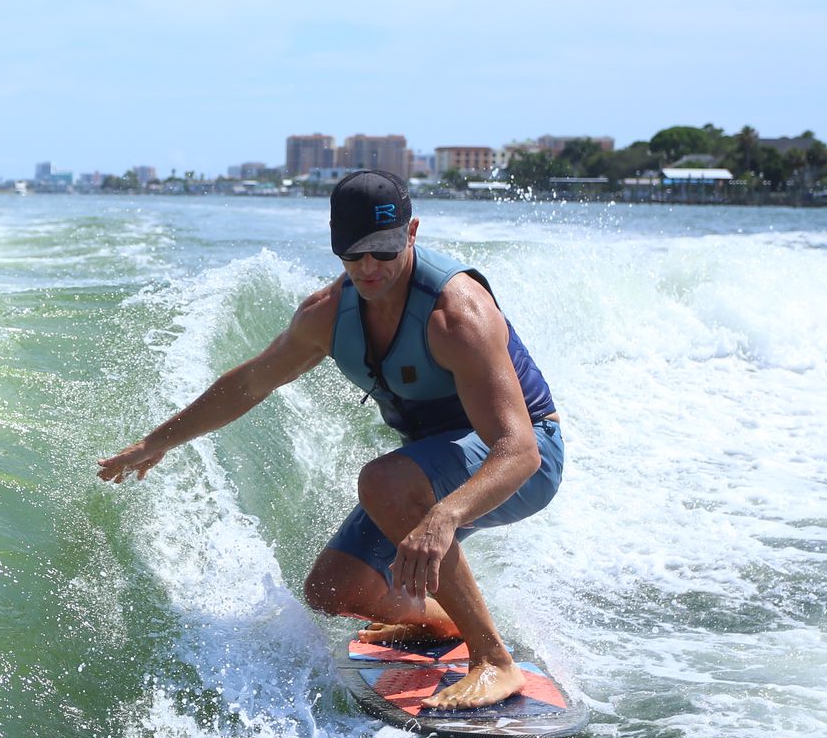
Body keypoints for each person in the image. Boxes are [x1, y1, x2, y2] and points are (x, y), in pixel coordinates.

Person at [98, 170, 563, 710]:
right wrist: (157, 442)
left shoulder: (455, 315)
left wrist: (443, 519)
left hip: (527, 458)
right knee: (334, 590)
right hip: (439, 465)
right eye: (353, 253)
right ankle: (447, 624)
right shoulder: (328, 315)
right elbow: (250, 383)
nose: (369, 268)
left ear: (412, 232)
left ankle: (493, 660)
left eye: (383, 252)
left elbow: (520, 449)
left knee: (384, 482)